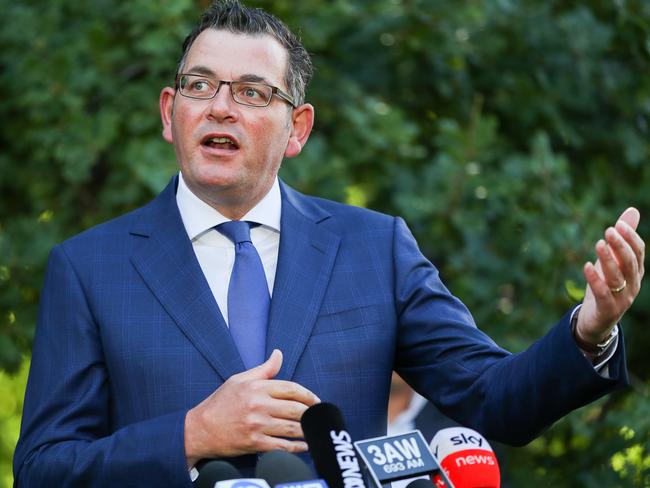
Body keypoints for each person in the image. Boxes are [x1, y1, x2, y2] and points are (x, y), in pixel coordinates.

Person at [13, 1, 645, 486]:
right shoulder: (90, 267)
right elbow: (44, 468)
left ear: (298, 128)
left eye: (253, 93)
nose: (221, 107)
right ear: (168, 111)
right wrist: (191, 434)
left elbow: (494, 399)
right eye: (201, 86)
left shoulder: (375, 248)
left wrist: (589, 331)